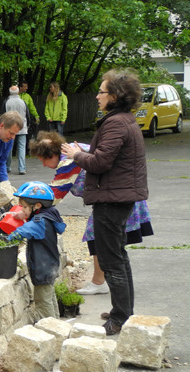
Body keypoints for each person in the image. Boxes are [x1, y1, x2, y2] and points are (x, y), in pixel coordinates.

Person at [61, 69, 148, 336]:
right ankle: (123, 311)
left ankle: (120, 318)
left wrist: (76, 154)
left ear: (115, 95)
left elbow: (100, 162)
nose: (97, 95)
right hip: (117, 197)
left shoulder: (116, 123)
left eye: (101, 91)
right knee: (118, 256)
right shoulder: (122, 120)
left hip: (112, 199)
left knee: (112, 260)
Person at [29, 131, 153, 298]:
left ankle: (102, 283)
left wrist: (28, 208)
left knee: (99, 237)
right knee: (108, 241)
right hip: (119, 195)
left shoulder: (68, 161)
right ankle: (106, 282)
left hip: (116, 198)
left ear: (52, 154)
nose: (43, 165)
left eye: (43, 160)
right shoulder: (72, 150)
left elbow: (54, 195)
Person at [7, 181, 66, 321]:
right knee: (49, 298)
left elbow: (24, 231)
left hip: (43, 268)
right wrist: (23, 214)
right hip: (49, 266)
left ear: (37, 206)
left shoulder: (40, 222)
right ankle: (58, 325)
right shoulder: (48, 215)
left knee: (43, 302)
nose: (22, 210)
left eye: (25, 207)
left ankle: (51, 329)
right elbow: (32, 221)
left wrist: (9, 239)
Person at [5, 86, 29, 175]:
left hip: (10, 128)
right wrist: (28, 124)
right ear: (18, 92)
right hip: (22, 127)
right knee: (22, 148)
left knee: (9, 148)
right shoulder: (23, 102)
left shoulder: (7, 102)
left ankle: (7, 167)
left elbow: (3, 115)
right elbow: (27, 114)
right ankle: (22, 168)